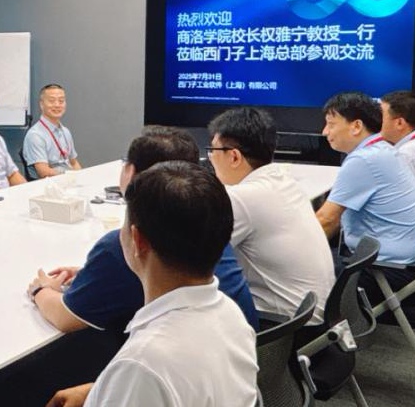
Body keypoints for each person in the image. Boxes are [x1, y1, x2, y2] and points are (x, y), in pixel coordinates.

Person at [48, 162, 259, 407]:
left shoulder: (144, 363)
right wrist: (102, 390)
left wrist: (122, 387)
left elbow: (152, 375)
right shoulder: (232, 316)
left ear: (138, 241)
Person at [27, 128, 259, 334]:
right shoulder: (206, 220)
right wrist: (90, 275)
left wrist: (41, 290)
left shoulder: (127, 244)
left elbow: (65, 318)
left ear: (130, 172)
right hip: (236, 346)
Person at [207, 107, 335, 323]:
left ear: (234, 157)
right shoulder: (284, 181)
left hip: (282, 324)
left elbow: (193, 258)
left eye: (213, 150)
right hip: (312, 315)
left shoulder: (243, 197)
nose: (210, 158)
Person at [316, 92, 415, 311]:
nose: (325, 132)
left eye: (331, 124)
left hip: (386, 270)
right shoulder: (381, 150)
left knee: (298, 271)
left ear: (356, 126)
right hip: (408, 263)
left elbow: (327, 220)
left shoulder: (364, 159)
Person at [23, 84, 82, 178]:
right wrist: (70, 176)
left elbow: (74, 163)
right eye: (51, 101)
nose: (57, 105)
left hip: (68, 180)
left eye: (61, 101)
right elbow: (44, 172)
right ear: (41, 104)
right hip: (50, 184)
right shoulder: (35, 135)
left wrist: (81, 177)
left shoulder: (65, 132)